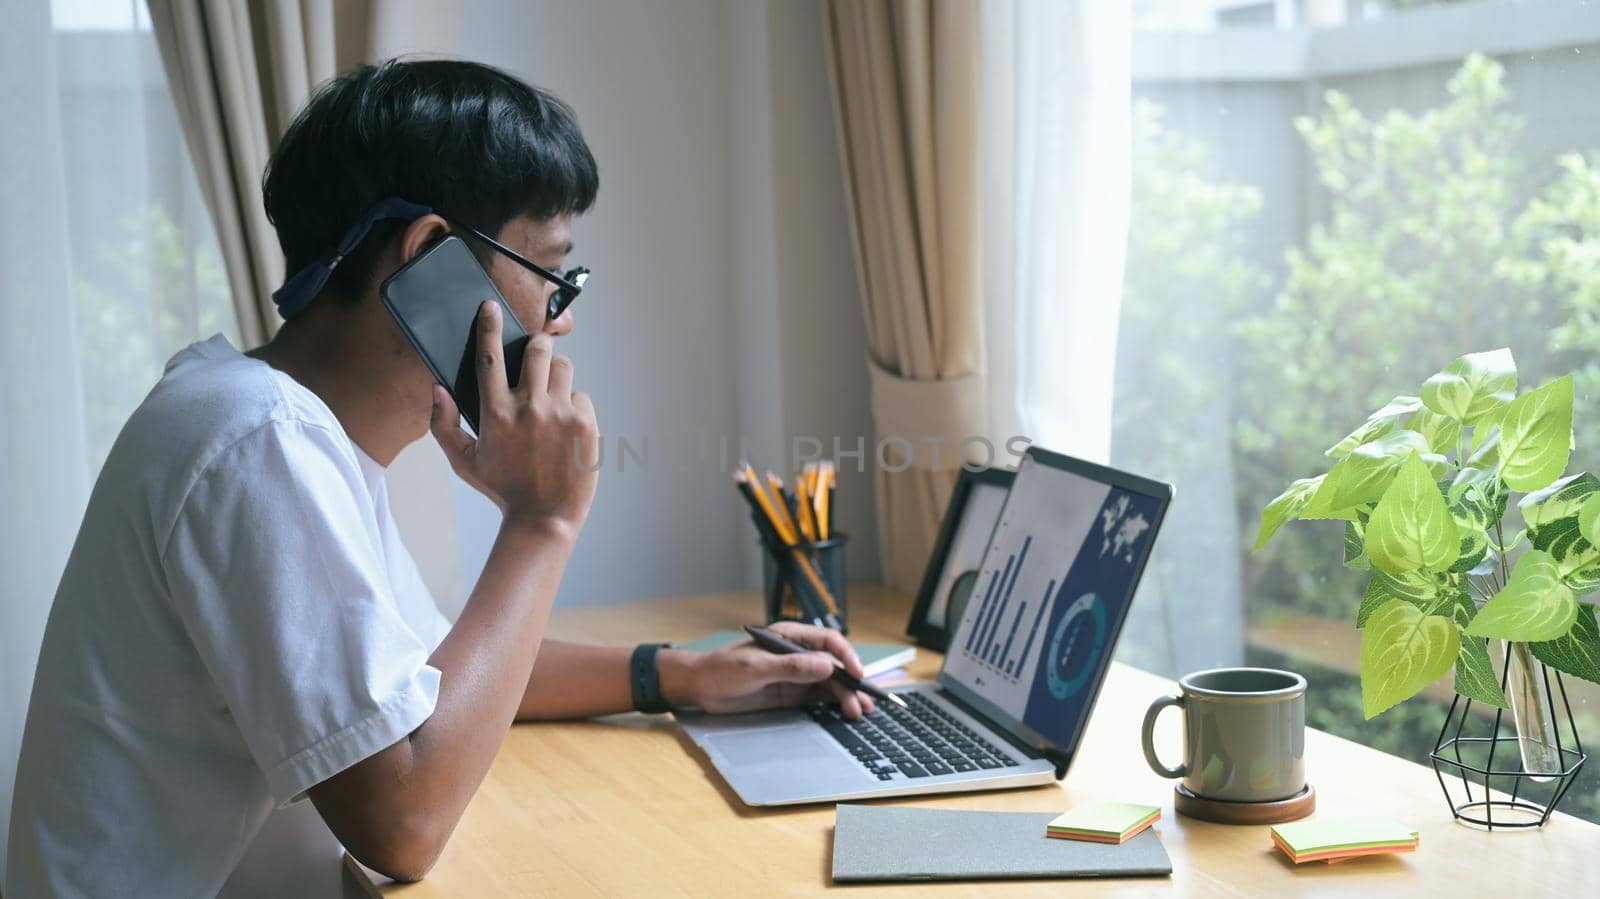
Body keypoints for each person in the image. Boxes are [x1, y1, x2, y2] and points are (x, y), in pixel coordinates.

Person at [5, 59, 873, 897]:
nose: (557, 325)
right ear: (430, 257)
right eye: (552, 277)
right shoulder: (257, 441)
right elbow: (405, 821)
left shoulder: (284, 427)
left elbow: (430, 684)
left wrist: (679, 673)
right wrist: (543, 523)